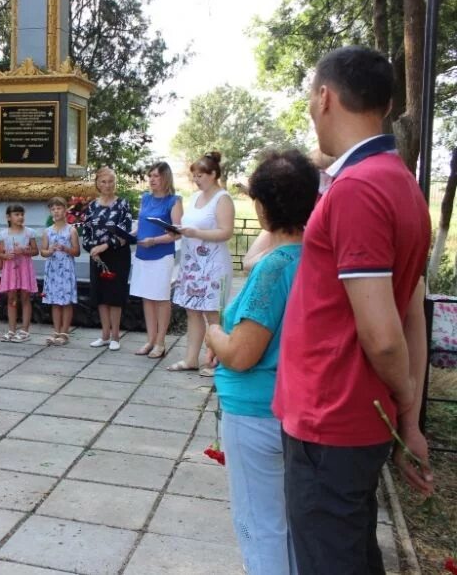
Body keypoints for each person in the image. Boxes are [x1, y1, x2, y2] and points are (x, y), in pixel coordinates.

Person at [272, 46, 433, 573]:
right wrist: (406, 418)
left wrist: (405, 397)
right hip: (355, 420)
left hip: (330, 418)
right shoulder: (399, 182)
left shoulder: (357, 191)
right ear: (386, 105)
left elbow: (386, 335)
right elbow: (412, 315)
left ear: (324, 97)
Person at [203, 150, 319, 575]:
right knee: (288, 521)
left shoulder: (273, 269)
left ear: (262, 206)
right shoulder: (320, 260)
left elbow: (242, 353)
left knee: (259, 522)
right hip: (299, 409)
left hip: (257, 412)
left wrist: (215, 334)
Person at [169, 151, 234, 374]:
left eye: (200, 175)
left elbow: (226, 232)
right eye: (194, 176)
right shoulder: (195, 198)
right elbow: (189, 224)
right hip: (191, 262)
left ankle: (216, 361)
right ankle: (191, 359)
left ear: (213, 174)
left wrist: (197, 232)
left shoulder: (222, 198)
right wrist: (179, 232)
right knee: (192, 311)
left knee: (212, 313)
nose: (196, 180)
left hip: (213, 264)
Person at [132, 162, 182, 358]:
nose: (152, 179)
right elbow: (140, 226)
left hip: (161, 255)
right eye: (150, 175)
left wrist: (155, 240)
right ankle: (150, 340)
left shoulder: (174, 201)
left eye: (156, 176)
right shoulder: (145, 198)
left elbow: (177, 233)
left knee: (161, 298)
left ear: (166, 178)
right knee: (147, 297)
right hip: (142, 255)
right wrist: (126, 235)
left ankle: (161, 342)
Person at [82, 166, 134, 351]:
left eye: (111, 181)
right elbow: (86, 231)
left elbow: (125, 231)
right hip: (97, 256)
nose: (107, 185)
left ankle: (116, 337)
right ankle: (104, 335)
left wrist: (105, 245)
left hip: (117, 254)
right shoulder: (92, 206)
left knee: (115, 295)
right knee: (101, 295)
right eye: (103, 181)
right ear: (97, 183)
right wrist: (90, 248)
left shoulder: (123, 204)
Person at [41, 197, 80, 346]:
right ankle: (56, 331)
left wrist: (66, 249)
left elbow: (76, 251)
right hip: (52, 269)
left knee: (66, 301)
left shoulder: (71, 230)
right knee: (55, 301)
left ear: (65, 210)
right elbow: (43, 251)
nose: (56, 211)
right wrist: (49, 251)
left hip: (66, 268)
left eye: (59, 208)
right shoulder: (47, 231)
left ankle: (65, 332)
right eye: (53, 209)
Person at [0, 203, 38, 343]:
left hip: (24, 268)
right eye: (16, 214)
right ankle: (11, 329)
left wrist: (24, 251)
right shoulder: (3, 234)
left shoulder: (29, 232)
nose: (20, 217)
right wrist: (5, 256)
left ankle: (25, 330)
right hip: (10, 269)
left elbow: (35, 251)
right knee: (11, 299)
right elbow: (0, 253)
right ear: (8, 217)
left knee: (25, 298)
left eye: (22, 214)